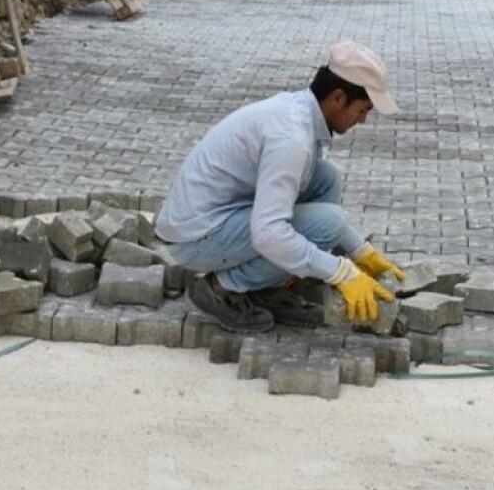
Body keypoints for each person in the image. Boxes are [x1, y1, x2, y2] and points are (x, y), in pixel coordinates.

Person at [155, 41, 404, 334]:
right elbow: (269, 233)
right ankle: (220, 289)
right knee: (328, 223)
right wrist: (342, 272)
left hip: (219, 218)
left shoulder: (300, 112)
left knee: (326, 177)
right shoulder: (291, 139)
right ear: (338, 97)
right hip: (196, 237)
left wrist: (360, 251)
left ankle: (266, 287)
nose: (362, 120)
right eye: (363, 110)